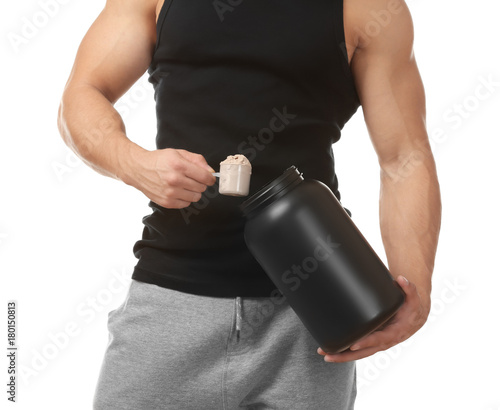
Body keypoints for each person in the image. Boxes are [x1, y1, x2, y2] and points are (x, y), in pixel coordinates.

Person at [57, 0, 441, 408]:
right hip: (171, 301)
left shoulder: (371, 7)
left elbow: (403, 157)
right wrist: (133, 164)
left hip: (316, 311)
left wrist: (412, 287)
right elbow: (82, 94)